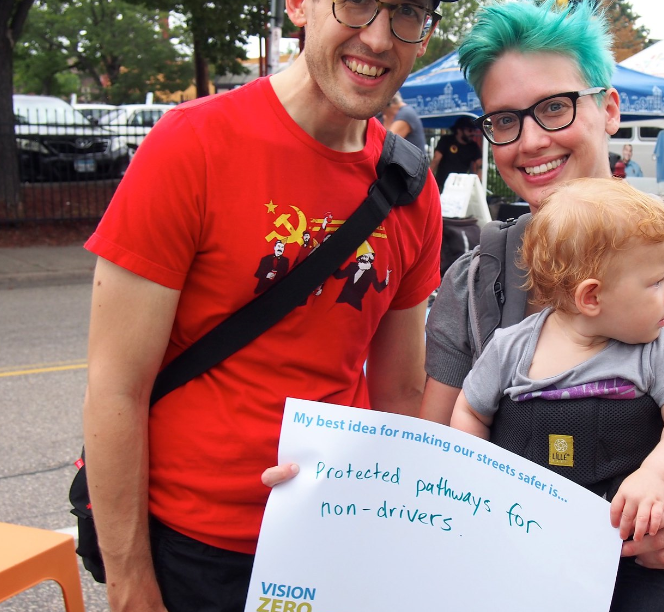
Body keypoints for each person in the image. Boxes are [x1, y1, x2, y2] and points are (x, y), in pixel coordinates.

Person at [419, 2, 664, 611]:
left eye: (555, 107)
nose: (531, 140)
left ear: (609, 108)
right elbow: (433, 452)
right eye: (504, 120)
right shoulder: (472, 280)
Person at [81, 0, 452, 608]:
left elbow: (400, 399)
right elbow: (115, 384)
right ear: (298, 5)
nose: (380, 38)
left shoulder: (411, 190)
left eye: (408, 12)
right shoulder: (193, 144)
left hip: (333, 539)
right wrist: (129, 584)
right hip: (194, 548)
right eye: (358, 4)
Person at [451, 177, 664, 610]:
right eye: (657, 281)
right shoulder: (511, 349)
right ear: (592, 296)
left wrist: (654, 475)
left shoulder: (656, 349)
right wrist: (480, 479)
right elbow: (470, 412)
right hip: (530, 539)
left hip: (630, 546)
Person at [430, 115, 483, 191]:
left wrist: (476, 182)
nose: (473, 133)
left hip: (460, 186)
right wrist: (428, 180)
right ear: (459, 130)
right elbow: (436, 159)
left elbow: (480, 164)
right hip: (442, 185)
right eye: (470, 130)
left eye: (474, 130)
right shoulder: (446, 140)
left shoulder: (473, 146)